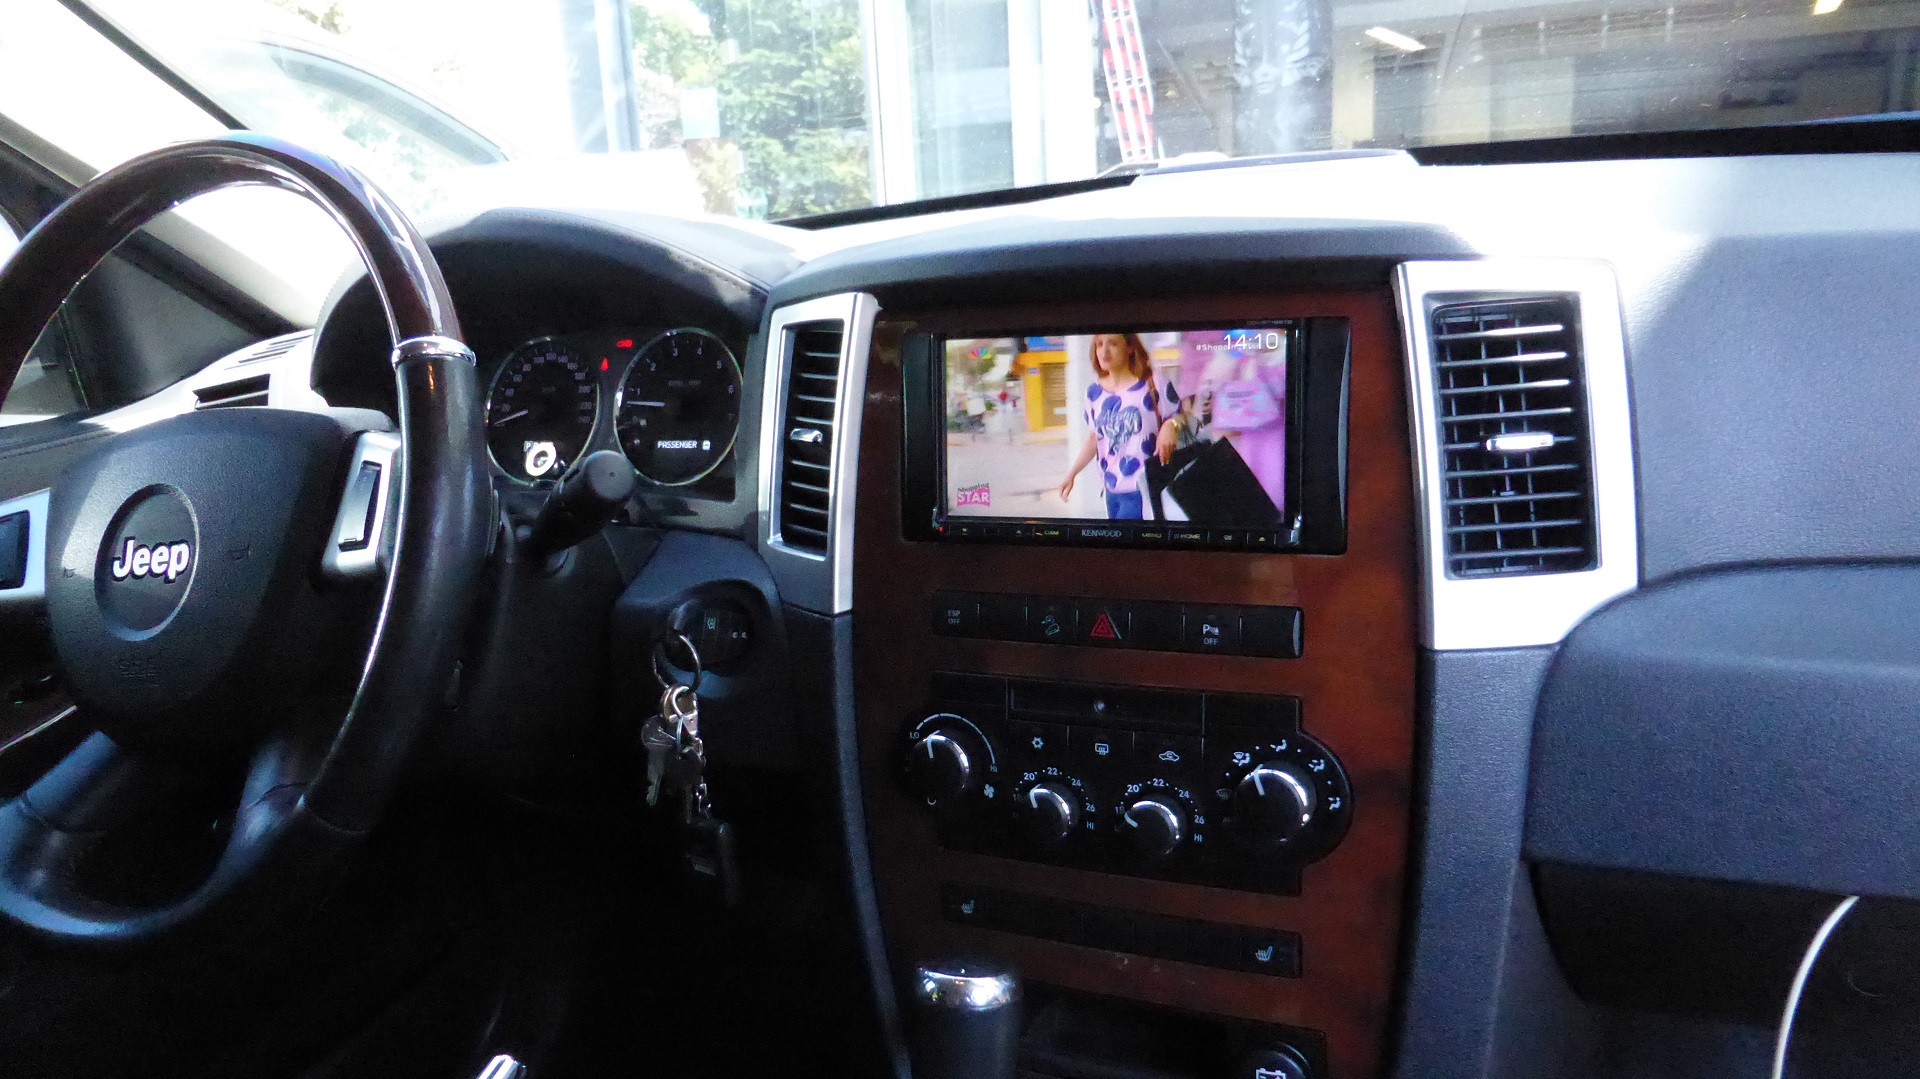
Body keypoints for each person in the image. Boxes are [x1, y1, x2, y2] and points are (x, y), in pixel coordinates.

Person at [1058, 333, 1180, 519]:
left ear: (1130, 347)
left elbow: (1182, 415)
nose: (1104, 351)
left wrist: (1170, 425)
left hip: (1144, 488)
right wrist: (1072, 474)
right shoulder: (1094, 393)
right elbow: (1095, 438)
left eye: (1113, 344)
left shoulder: (1153, 383)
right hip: (1111, 490)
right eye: (1099, 344)